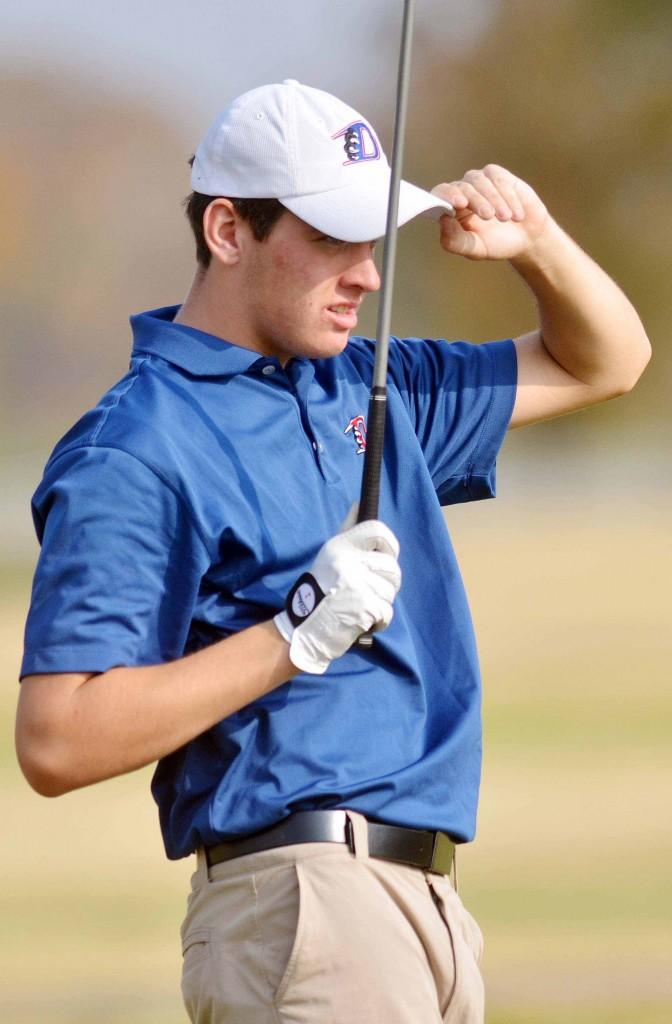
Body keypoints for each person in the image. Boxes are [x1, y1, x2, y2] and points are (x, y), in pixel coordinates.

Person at [16, 80, 650, 1023]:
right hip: (304, 903)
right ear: (229, 231)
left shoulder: (369, 380)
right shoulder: (140, 446)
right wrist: (294, 637)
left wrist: (540, 244)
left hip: (427, 905)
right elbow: (56, 737)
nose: (367, 274)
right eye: (332, 238)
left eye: (373, 240)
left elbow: (609, 360)